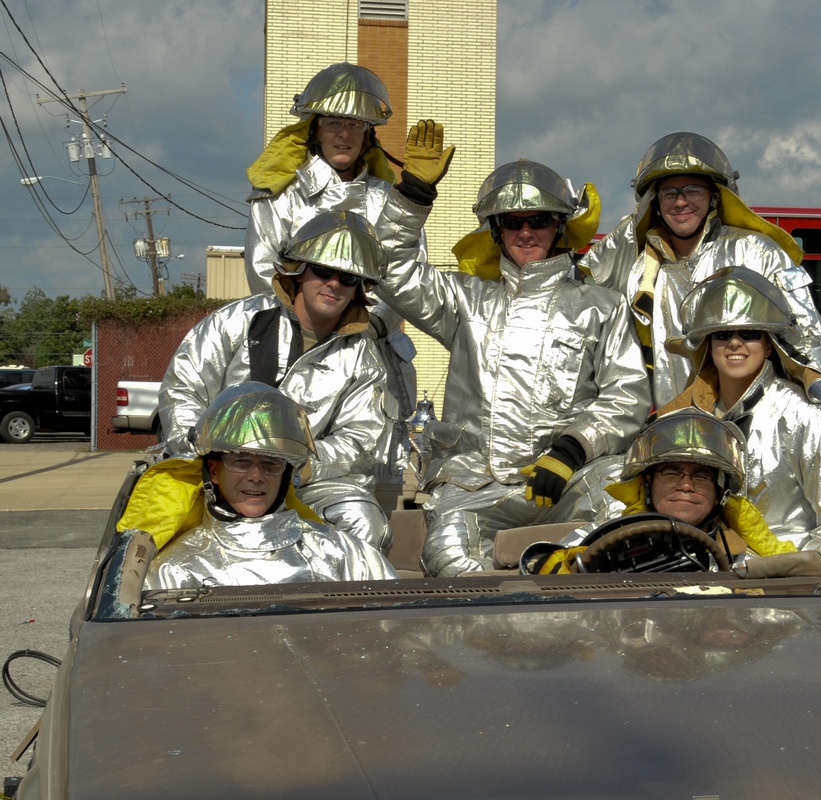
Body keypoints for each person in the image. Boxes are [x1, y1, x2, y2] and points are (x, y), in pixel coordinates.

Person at [375, 125, 652, 577]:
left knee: (624, 530)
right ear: (496, 230)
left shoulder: (600, 305)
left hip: (572, 479)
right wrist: (413, 194)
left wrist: (572, 451)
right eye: (512, 221)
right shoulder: (463, 300)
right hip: (472, 485)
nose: (527, 231)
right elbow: (388, 266)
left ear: (559, 225)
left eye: (538, 219)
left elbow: (627, 396)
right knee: (448, 562)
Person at [159, 210, 394, 552]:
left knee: (365, 521)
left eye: (348, 278)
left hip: (306, 484)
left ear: (359, 289)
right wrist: (210, 457)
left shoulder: (363, 356)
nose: (334, 284)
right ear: (298, 271)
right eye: (324, 270)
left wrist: (299, 468)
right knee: (154, 530)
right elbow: (183, 390)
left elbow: (361, 439)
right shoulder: (237, 322)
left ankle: (336, 606)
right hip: (219, 474)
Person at [244, 61, 422, 492]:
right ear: (315, 128)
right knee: (282, 478)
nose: (344, 134)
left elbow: (405, 275)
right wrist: (316, 324)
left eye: (355, 125)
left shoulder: (390, 202)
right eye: (333, 122)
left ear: (368, 135)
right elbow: (262, 269)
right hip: (293, 352)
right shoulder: (280, 196)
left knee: (370, 489)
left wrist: (358, 322)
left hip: (374, 350)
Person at [577, 132, 821, 407]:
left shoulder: (759, 254)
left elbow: (807, 339)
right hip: (671, 423)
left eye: (693, 190)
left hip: (750, 418)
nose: (681, 202)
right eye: (669, 193)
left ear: (714, 197)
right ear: (656, 204)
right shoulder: (639, 272)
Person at [659, 266, 821, 576]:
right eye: (721, 334)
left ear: (769, 344)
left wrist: (803, 580)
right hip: (702, 581)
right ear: (709, 345)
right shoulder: (688, 418)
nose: (734, 343)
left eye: (748, 333)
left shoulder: (807, 417)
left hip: (786, 594)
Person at [117, 383, 396, 590]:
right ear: (214, 471)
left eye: (270, 463)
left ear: (286, 474)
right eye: (241, 461)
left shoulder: (344, 553)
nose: (255, 475)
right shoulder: (174, 569)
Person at [522, 407, 821, 580]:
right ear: (647, 484)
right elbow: (536, 572)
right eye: (671, 473)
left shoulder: (751, 559)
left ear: (721, 493)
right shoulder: (599, 538)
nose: (686, 484)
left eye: (701, 476)